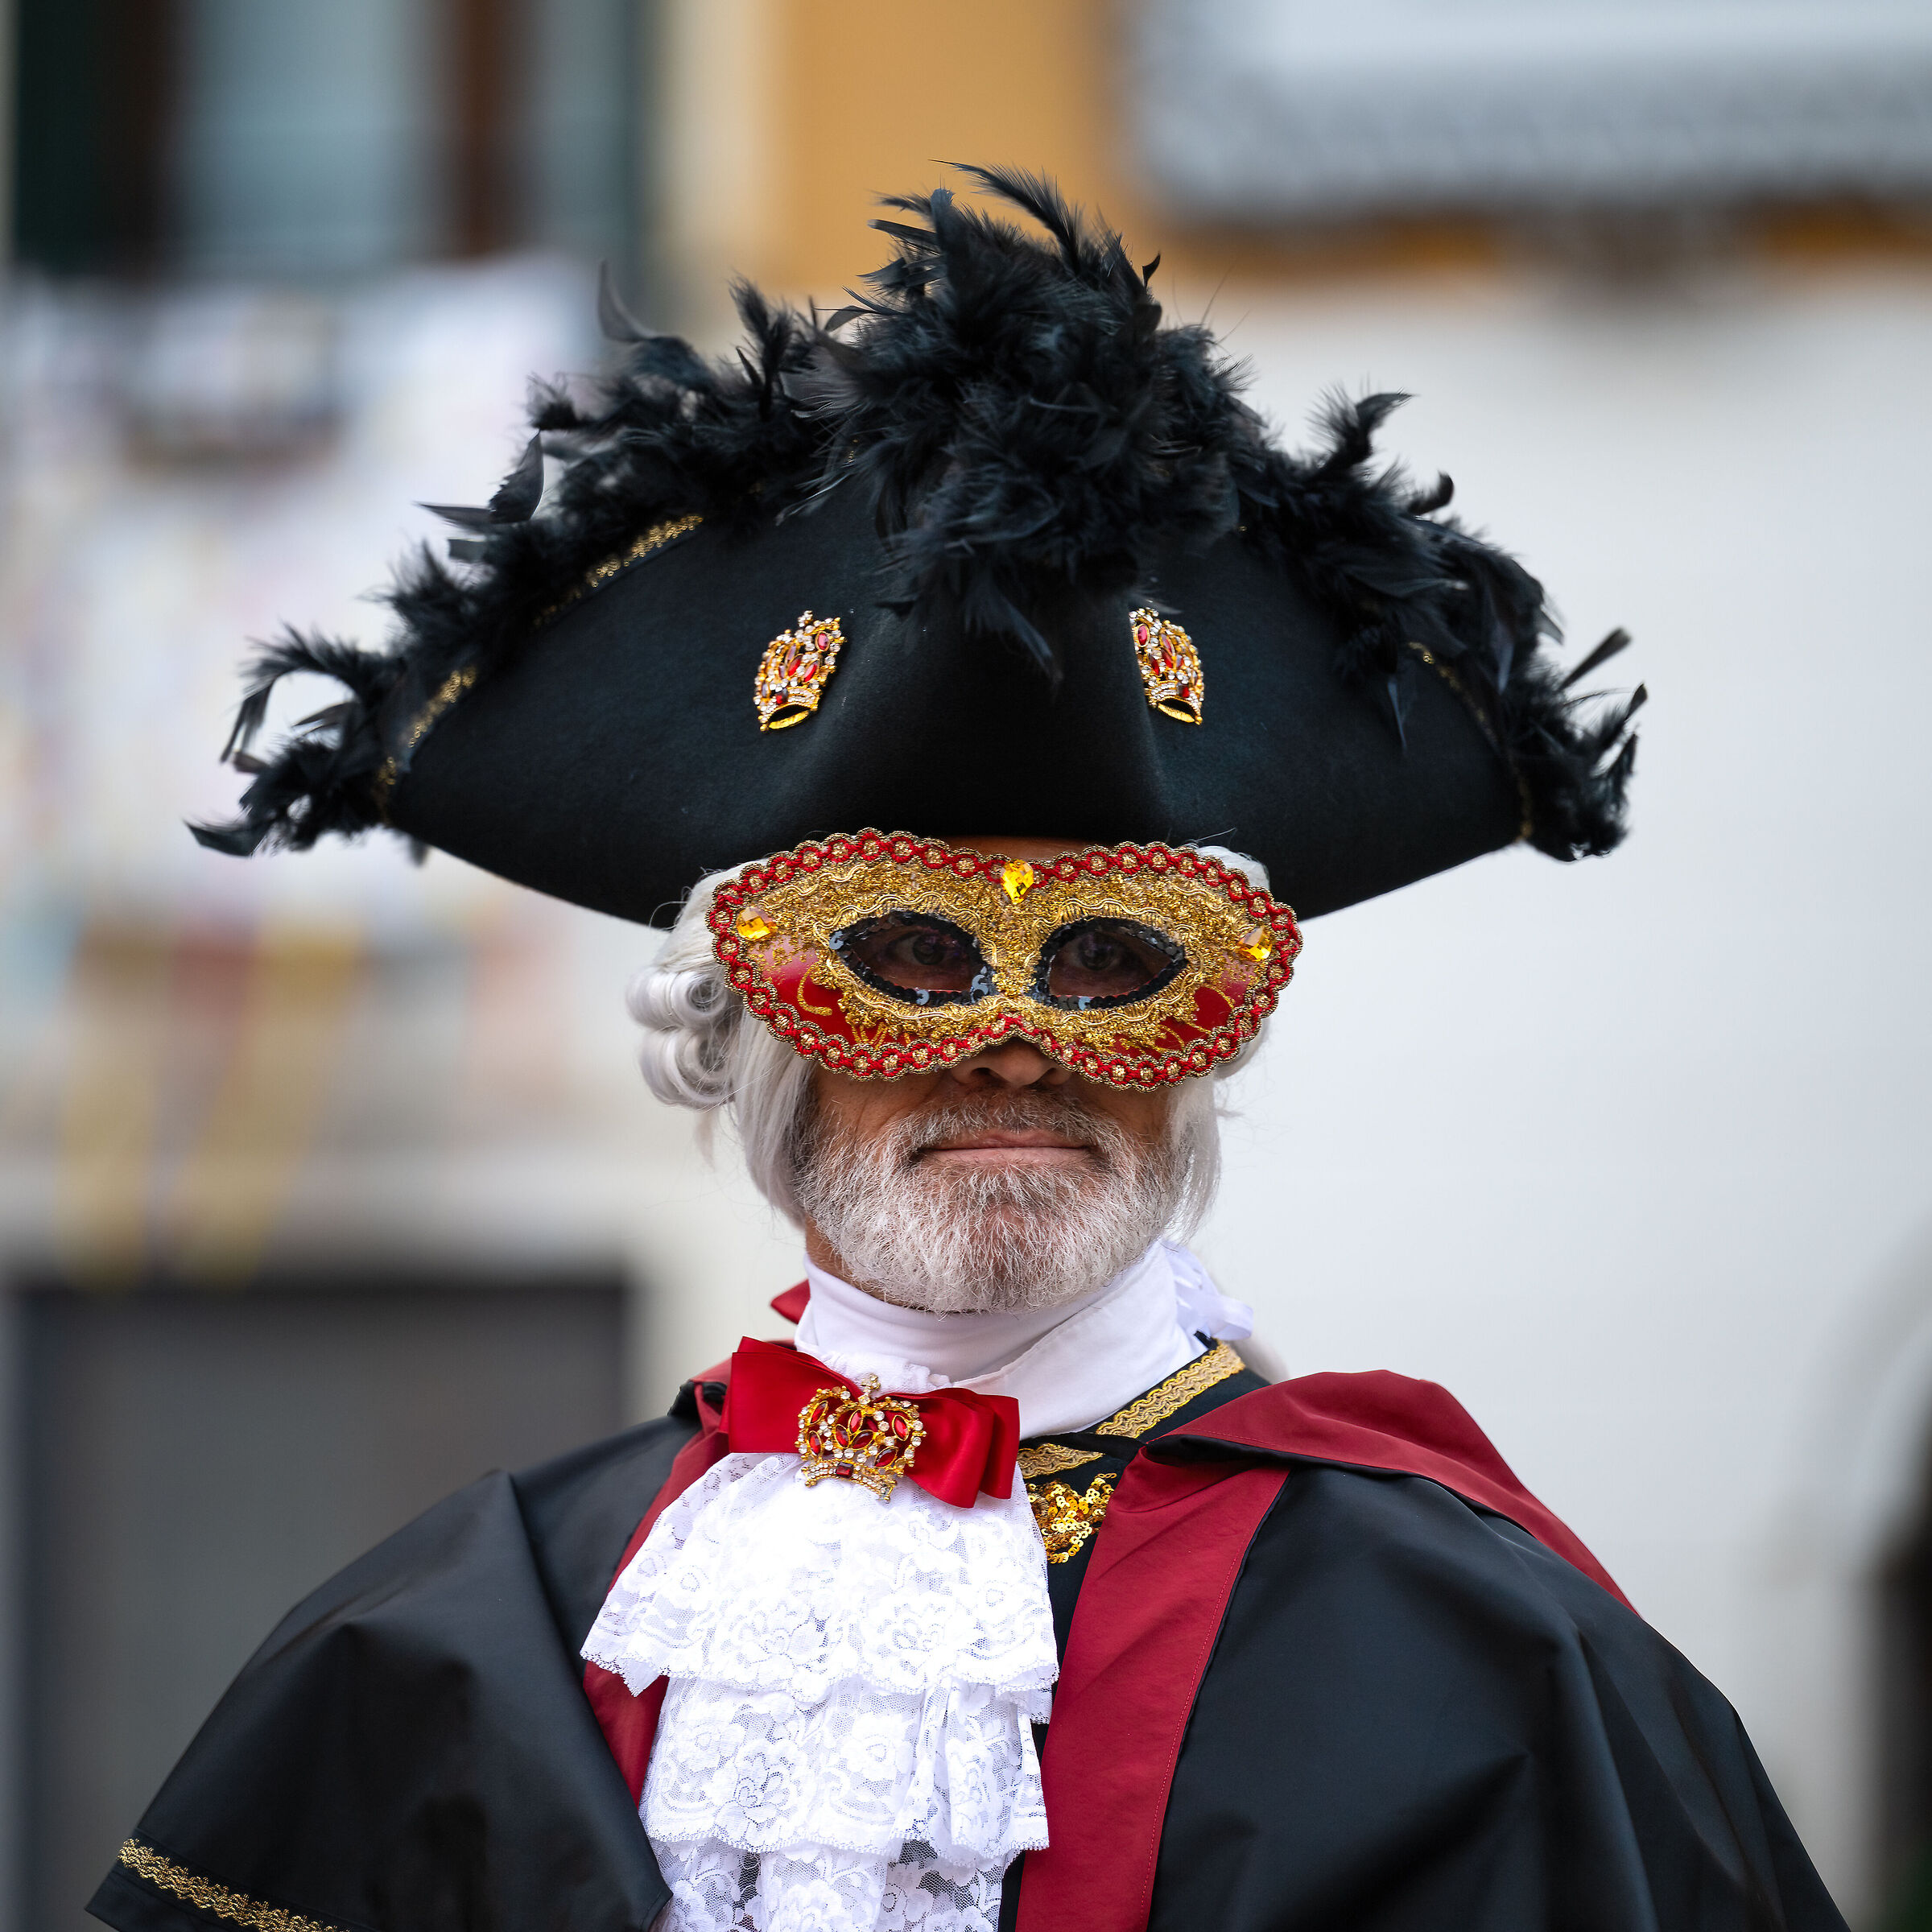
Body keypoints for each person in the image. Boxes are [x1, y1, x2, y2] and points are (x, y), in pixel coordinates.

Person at [91, 167, 1841, 1932]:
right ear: (744, 1022)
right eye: (908, 959)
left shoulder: (1485, 1659)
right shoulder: (483, 1636)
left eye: (1114, 967)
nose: (1016, 1052)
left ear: (1204, 1041)